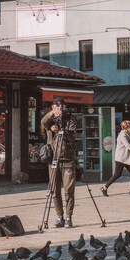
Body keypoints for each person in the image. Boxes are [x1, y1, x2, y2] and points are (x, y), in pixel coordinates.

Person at [41, 97, 78, 228]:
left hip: (67, 158)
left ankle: (68, 217)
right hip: (53, 159)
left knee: (69, 190)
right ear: (53, 108)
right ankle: (59, 217)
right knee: (55, 191)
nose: (60, 109)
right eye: (57, 107)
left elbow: (72, 134)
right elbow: (43, 122)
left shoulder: (70, 118)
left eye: (61, 106)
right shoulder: (50, 119)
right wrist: (51, 115)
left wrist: (61, 129)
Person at [100, 120, 130, 196]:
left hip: (124, 158)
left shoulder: (127, 133)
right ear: (125, 127)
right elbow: (128, 146)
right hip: (121, 158)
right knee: (117, 174)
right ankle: (104, 188)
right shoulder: (123, 135)